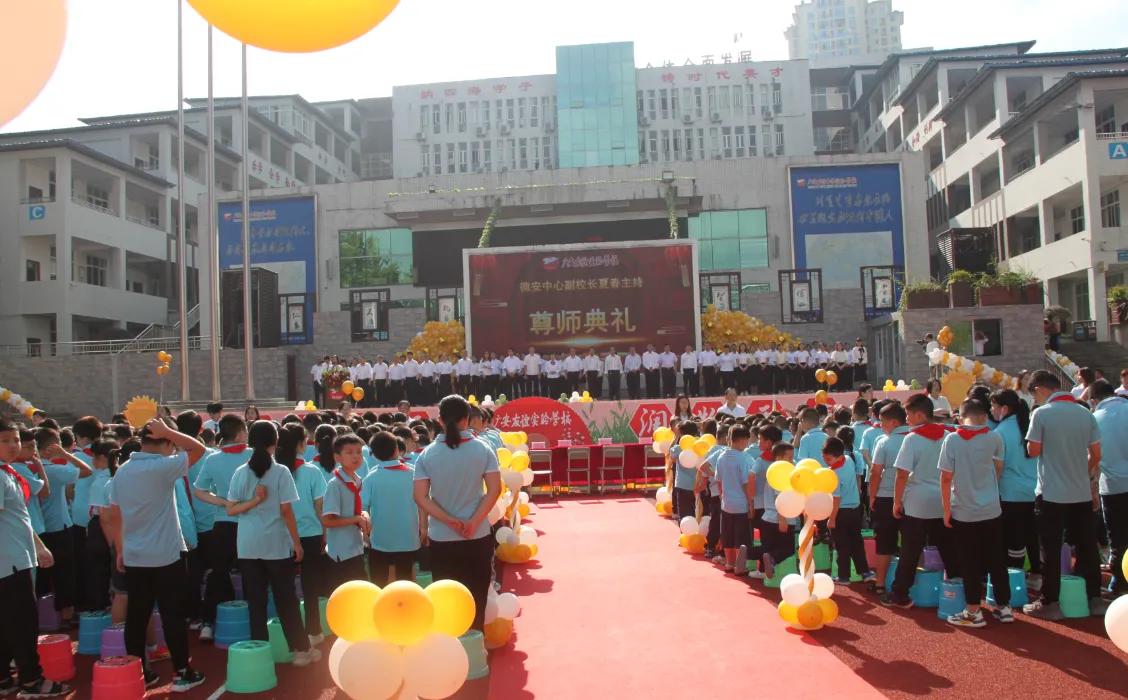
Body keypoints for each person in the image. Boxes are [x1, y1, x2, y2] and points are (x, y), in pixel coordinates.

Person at [105, 419, 207, 691]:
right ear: (165, 443)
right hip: (165, 555)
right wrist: (169, 431)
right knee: (173, 614)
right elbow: (199, 449)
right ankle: (182, 671)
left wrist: (121, 547)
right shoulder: (162, 466)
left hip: (135, 555)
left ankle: (139, 672)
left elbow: (115, 513)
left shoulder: (123, 471)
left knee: (137, 615)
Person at [224, 421, 315, 665]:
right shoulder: (281, 472)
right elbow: (286, 511)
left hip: (248, 546)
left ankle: (259, 655)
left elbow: (230, 510)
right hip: (276, 546)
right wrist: (297, 543)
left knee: (256, 602)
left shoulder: (241, 472)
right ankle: (300, 650)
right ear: (275, 442)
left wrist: (253, 502)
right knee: (286, 600)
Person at [1022, 370, 1106, 619]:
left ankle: (1050, 602)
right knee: (1087, 546)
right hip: (1079, 490)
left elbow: (1033, 450)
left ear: (1039, 389)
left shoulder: (1041, 414)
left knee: (1051, 548)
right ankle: (1095, 598)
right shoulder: (1084, 413)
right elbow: (1097, 454)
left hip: (1051, 493)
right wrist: (1083, 471)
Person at [413, 395, 502, 631]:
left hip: (442, 537)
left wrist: (449, 521)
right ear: (467, 419)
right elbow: (495, 490)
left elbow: (420, 497)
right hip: (477, 534)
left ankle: (451, 646)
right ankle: (477, 645)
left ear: (440, 420)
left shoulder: (427, 454)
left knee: (446, 597)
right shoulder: (482, 449)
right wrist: (473, 521)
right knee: (477, 594)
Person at [0, 419, 72, 698]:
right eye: (4, 440)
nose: (12, 446)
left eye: (14, 440)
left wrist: (39, 546)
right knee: (22, 625)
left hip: (18, 559)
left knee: (10, 624)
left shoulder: (9, 473)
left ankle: (5, 677)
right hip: (9, 563)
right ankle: (31, 681)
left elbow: (20, 519)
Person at [938, 399, 1011, 627]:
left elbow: (946, 476)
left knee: (969, 561)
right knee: (996, 559)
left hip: (964, 509)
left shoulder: (953, 439)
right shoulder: (995, 437)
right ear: (985, 415)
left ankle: (973, 611)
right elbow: (998, 468)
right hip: (991, 508)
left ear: (961, 415)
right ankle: (1004, 606)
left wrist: (946, 509)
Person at [883, 393, 957, 608]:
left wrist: (897, 501)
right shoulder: (948, 435)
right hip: (943, 501)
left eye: (908, 414)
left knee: (910, 551)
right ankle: (957, 587)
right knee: (948, 548)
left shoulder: (912, 439)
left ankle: (900, 593)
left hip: (917, 503)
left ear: (919, 414)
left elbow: (902, 474)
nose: (906, 418)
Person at [192, 414, 251, 642]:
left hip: (223, 522)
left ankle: (208, 623)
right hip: (249, 522)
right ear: (240, 433)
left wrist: (224, 502)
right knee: (250, 573)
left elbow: (200, 491)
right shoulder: (254, 455)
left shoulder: (213, 459)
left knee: (218, 573)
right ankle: (253, 622)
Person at [276, 424, 328, 645]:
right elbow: (320, 508)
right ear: (301, 444)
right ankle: (313, 630)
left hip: (282, 535)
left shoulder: (275, 471)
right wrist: (325, 533)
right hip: (311, 534)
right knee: (311, 586)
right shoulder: (311, 471)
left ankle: (292, 637)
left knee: (285, 588)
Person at [36, 427, 92, 627]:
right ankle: (66, 616)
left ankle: (44, 616)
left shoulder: (27, 468)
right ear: (52, 446)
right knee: (64, 574)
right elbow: (87, 470)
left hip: (38, 529)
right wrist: (66, 454)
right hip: (58, 527)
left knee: (42, 577)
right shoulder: (54, 470)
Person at [990, 389, 1041, 584]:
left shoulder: (1000, 432)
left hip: (1010, 493)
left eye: (994, 406)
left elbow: (998, 467)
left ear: (1004, 408)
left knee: (1013, 537)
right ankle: (1036, 574)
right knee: (1032, 536)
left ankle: (1015, 576)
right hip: (1034, 490)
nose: (992, 411)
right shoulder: (1028, 425)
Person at [363, 432, 423, 587]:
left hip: (380, 539)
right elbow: (424, 503)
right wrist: (424, 528)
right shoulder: (413, 473)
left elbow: (363, 508)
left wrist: (365, 533)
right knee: (407, 583)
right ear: (397, 449)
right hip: (408, 538)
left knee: (380, 584)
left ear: (374, 454)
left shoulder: (371, 478)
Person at [868, 402, 910, 595]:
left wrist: (872, 497)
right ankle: (913, 584)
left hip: (886, 496)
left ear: (893, 422)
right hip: (912, 498)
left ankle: (880, 583)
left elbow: (876, 472)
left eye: (882, 422)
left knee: (884, 544)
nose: (880, 426)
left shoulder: (884, 442)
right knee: (912, 544)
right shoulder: (916, 438)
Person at [1090, 379, 1128, 594]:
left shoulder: (1095, 419)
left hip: (1113, 487)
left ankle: (1120, 582)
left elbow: (1094, 457)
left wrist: (1091, 484)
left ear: (1094, 400)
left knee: (1118, 538)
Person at [321, 434, 371, 590]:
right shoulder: (335, 484)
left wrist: (363, 515)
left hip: (355, 546)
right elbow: (328, 521)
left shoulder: (357, 480)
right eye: (349, 452)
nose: (356, 456)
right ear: (337, 457)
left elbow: (354, 509)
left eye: (358, 452)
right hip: (341, 553)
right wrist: (356, 518)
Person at [825, 432, 872, 585]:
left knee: (842, 545)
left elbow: (836, 498)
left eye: (829, 459)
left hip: (841, 512)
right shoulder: (849, 460)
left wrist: (831, 519)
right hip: (854, 509)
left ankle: (843, 576)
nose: (827, 462)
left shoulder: (833, 474)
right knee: (856, 542)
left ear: (837, 456)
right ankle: (864, 571)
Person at [751, 441, 798, 579]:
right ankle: (770, 560)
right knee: (788, 549)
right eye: (789, 457)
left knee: (767, 547)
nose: (792, 460)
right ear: (779, 458)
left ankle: (751, 555)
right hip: (782, 518)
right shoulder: (782, 473)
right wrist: (783, 519)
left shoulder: (773, 471)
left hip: (768, 517)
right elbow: (780, 498)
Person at [716, 426, 754, 573]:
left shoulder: (721, 456)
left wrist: (722, 496)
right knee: (741, 536)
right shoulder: (743, 458)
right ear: (742, 440)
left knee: (728, 534)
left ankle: (729, 563)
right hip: (741, 504)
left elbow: (718, 480)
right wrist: (750, 504)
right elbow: (746, 484)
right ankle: (740, 566)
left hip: (726, 502)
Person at [669, 421, 700, 522]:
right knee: (698, 511)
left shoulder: (679, 448)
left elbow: (671, 455)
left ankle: (686, 535)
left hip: (682, 485)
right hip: (698, 484)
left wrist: (676, 439)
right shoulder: (699, 445)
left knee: (684, 514)